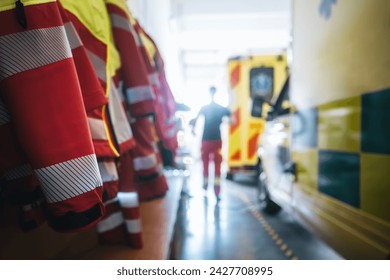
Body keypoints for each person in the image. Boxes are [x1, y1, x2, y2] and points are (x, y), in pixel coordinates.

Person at [190, 86, 231, 200]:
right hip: (217, 141)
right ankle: (217, 192)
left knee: (205, 165)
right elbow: (232, 119)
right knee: (217, 166)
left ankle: (205, 188)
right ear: (216, 93)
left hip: (206, 141)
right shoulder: (221, 109)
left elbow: (194, 121)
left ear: (209, 93)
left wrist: (193, 130)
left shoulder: (204, 108)